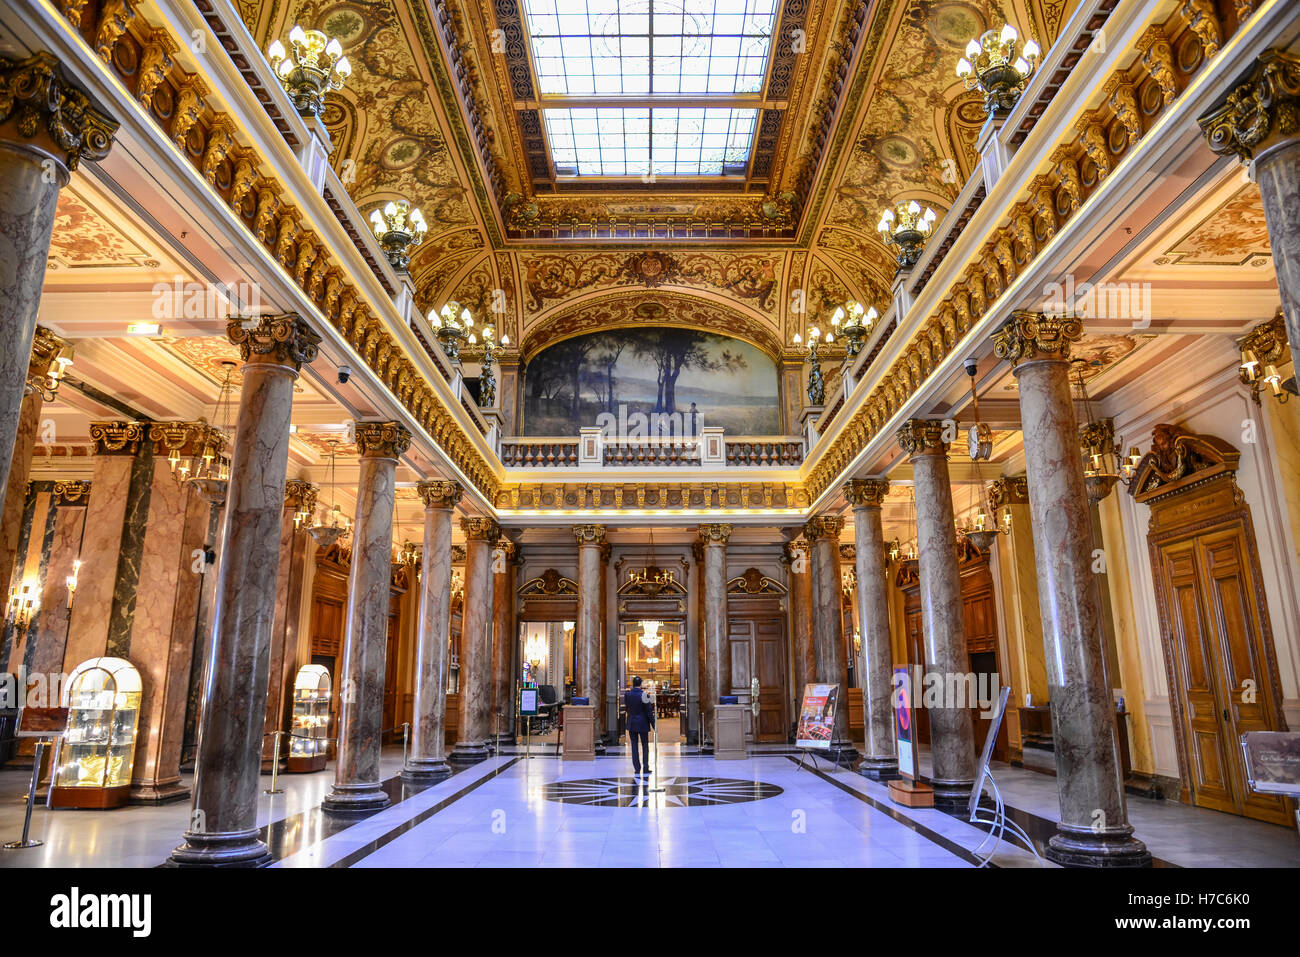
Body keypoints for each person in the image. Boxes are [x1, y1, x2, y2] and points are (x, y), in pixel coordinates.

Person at [624, 676, 655, 776]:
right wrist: (654, 725)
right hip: (643, 723)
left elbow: (627, 707)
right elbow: (649, 712)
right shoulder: (644, 695)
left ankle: (637, 768)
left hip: (632, 722)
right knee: (645, 745)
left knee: (634, 745)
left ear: (633, 683)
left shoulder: (627, 695)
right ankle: (646, 767)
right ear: (641, 684)